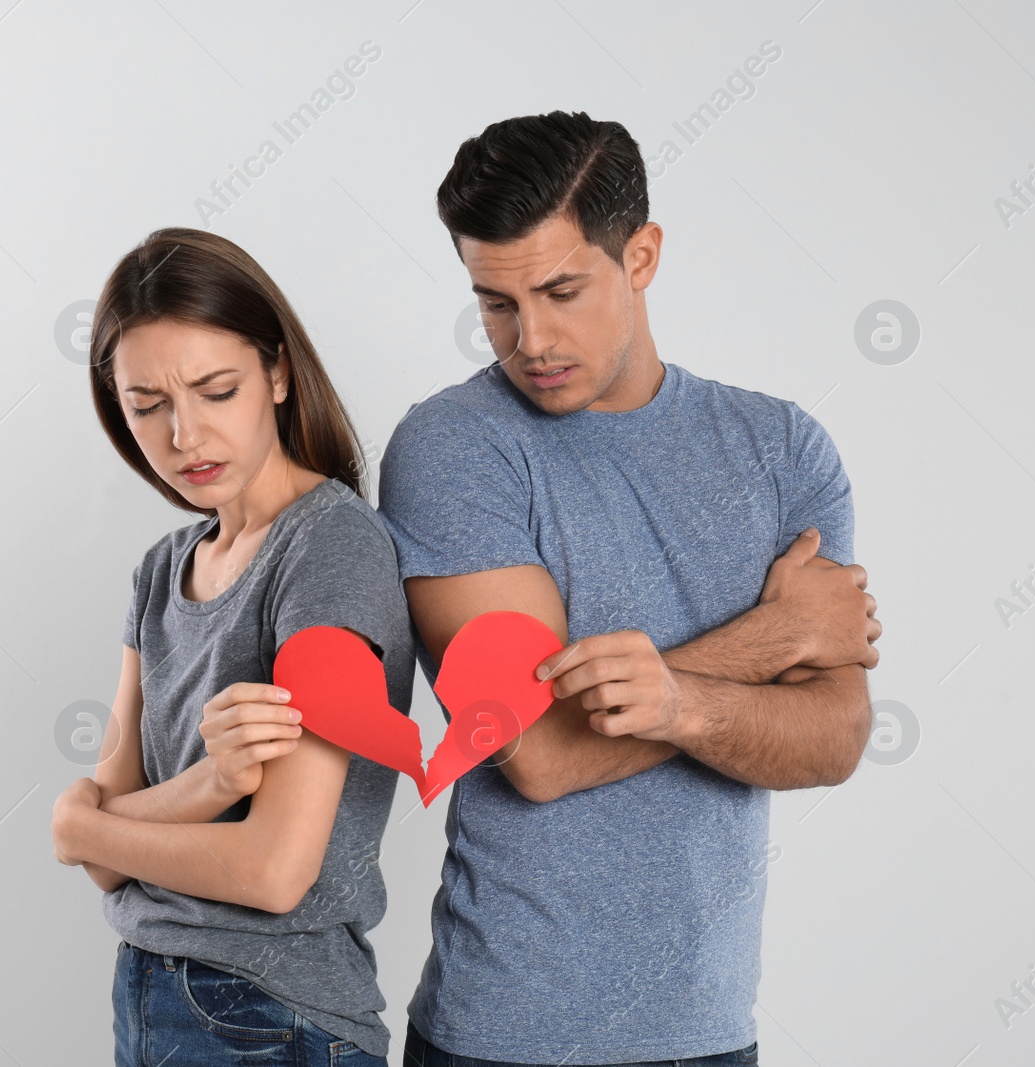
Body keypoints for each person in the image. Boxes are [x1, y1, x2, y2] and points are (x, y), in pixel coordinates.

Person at [375, 111, 883, 1065]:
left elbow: (836, 737)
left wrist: (676, 697)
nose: (530, 338)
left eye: (562, 290)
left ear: (641, 254)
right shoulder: (456, 448)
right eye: (495, 302)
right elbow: (540, 753)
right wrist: (770, 640)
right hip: (505, 1037)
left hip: (710, 1033)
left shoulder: (780, 452)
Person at [49, 227, 413, 1066]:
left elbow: (274, 869)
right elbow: (105, 861)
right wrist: (210, 785)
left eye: (216, 389)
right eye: (148, 405)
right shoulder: (160, 572)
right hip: (149, 991)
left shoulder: (330, 549)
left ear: (278, 373)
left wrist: (82, 825)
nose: (185, 435)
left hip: (272, 1016)